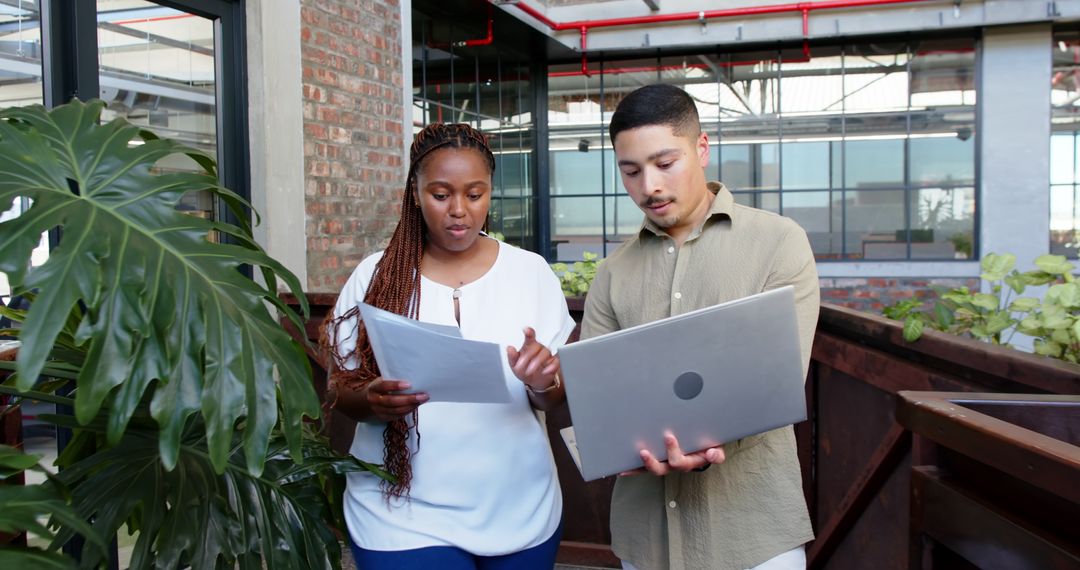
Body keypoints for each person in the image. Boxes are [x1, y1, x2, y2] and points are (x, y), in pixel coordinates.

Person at [580, 84, 819, 570]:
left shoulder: (778, 242)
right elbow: (600, 397)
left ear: (702, 148)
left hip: (754, 534)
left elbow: (776, 383)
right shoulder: (613, 272)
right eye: (631, 171)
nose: (649, 186)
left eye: (665, 163)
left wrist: (684, 435)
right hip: (645, 538)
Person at [323, 123, 575, 570]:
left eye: (475, 194)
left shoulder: (531, 273)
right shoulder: (375, 276)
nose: (459, 210)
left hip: (519, 507)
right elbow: (339, 389)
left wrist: (542, 382)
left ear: (490, 191)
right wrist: (372, 400)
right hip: (400, 513)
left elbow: (552, 397)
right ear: (415, 193)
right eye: (441, 195)